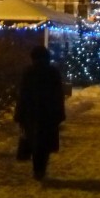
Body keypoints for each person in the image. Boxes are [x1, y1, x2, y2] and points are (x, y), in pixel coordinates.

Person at [15, 45, 66, 180]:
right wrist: (59, 114)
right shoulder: (53, 72)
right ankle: (40, 169)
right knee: (45, 143)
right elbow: (58, 95)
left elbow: (23, 95)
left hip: (31, 113)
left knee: (33, 140)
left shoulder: (28, 72)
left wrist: (19, 114)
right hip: (49, 114)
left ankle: (36, 168)